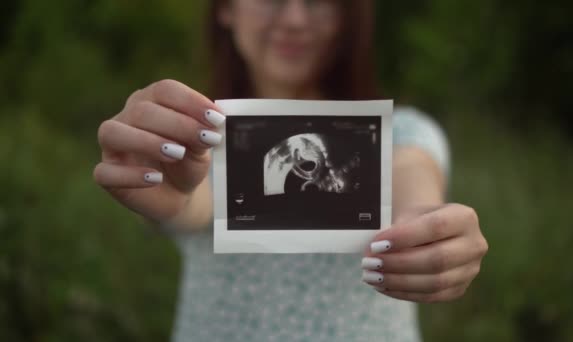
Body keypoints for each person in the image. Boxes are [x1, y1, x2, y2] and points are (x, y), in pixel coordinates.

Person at [93, 0, 488, 341]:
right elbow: (198, 205)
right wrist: (172, 191)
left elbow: (413, 177)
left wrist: (429, 227)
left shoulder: (402, 132)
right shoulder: (193, 137)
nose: (296, 18)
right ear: (226, 8)